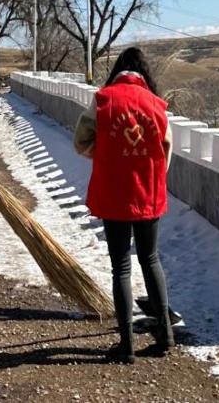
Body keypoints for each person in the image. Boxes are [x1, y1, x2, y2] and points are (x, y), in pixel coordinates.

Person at [74, 47, 176, 363]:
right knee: (150, 258)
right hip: (148, 192)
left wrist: (105, 154)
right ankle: (165, 335)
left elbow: (81, 141)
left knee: (121, 264)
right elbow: (167, 144)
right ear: (143, 74)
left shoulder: (103, 99)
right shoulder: (156, 105)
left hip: (115, 192)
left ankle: (126, 343)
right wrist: (155, 172)